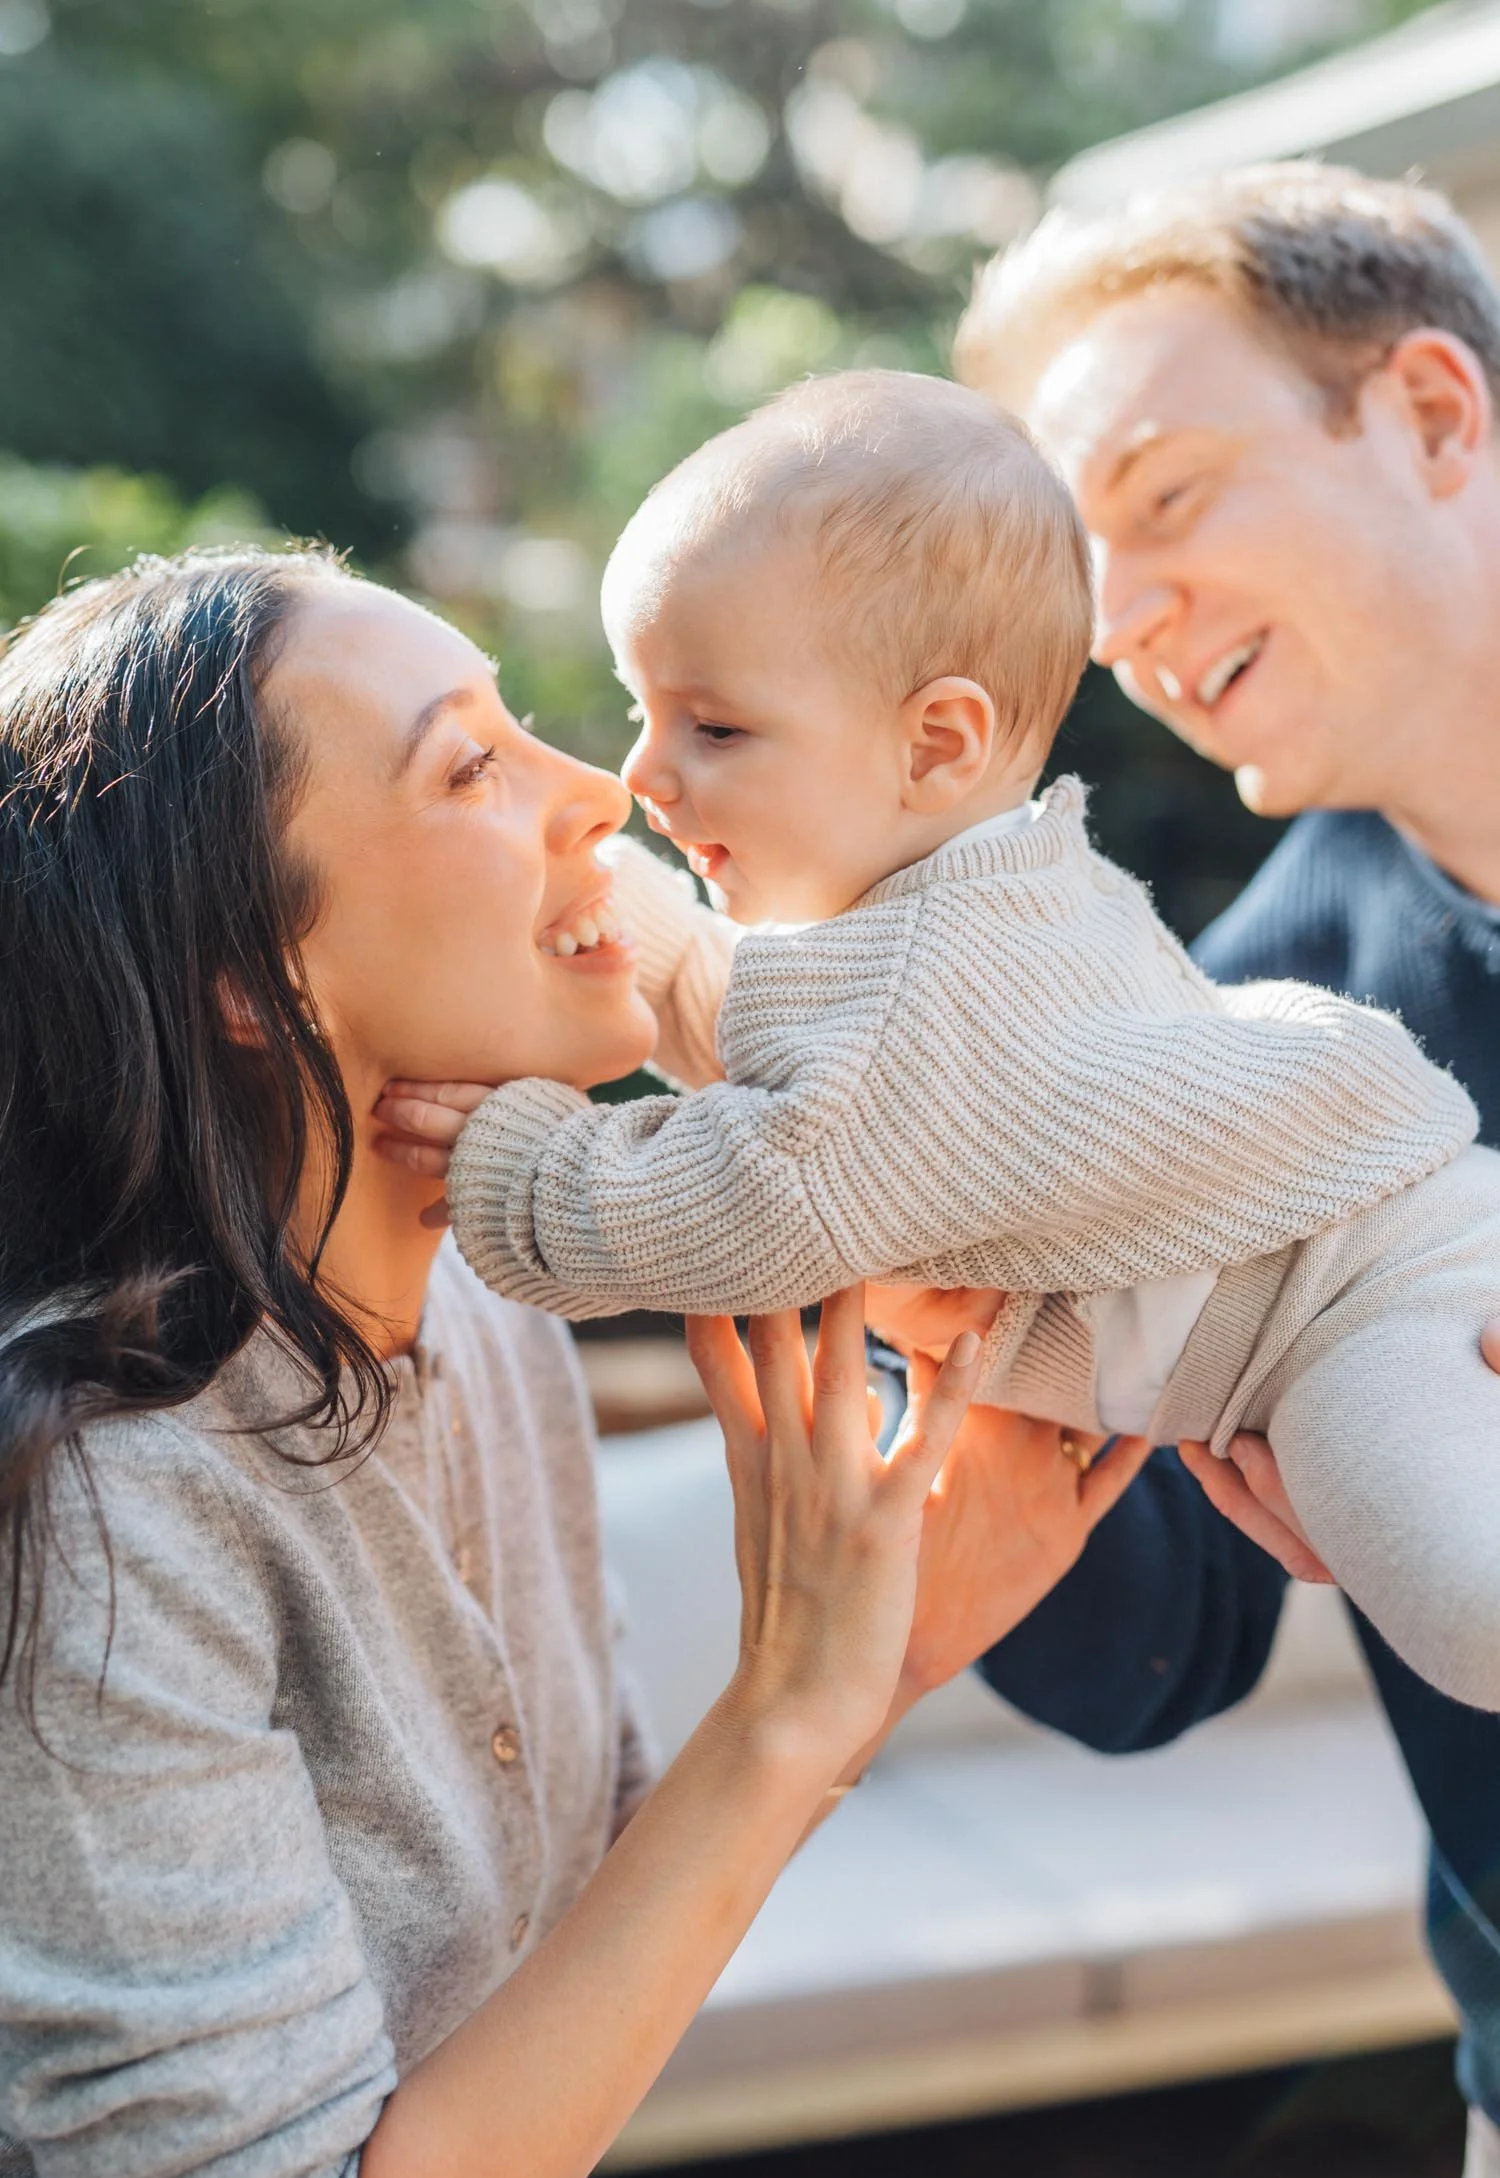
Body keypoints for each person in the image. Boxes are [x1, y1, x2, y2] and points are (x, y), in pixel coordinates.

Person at [0, 546, 1146, 2178]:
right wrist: (784, 1713)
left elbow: (556, 1957)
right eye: (468, 762)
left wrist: (873, 1658)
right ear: (256, 981)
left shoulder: (482, 1308)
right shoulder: (109, 1504)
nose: (597, 787)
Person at [375, 365, 1500, 1713]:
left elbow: (761, 1192)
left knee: (1475, 1620)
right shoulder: (961, 913)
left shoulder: (927, 986)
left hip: (1359, 1315)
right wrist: (633, 923)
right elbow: (766, 1032)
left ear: (936, 744)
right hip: (1375, 1259)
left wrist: (528, 1165)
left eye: (714, 725)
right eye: (643, 711)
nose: (642, 775)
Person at [944, 161, 1500, 2178]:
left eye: (1164, 496)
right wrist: (934, 1289)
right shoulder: (1252, 1034)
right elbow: (1143, 1653)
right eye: (1082, 564)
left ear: (1435, 417)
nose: (1123, 616)